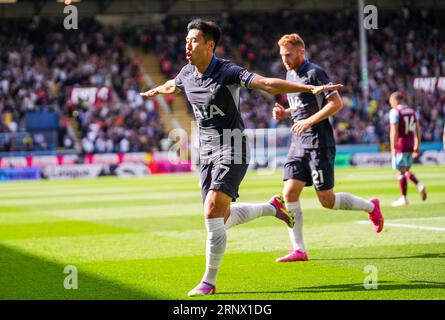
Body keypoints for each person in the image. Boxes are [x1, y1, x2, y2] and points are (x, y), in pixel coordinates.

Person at [140, 19, 342, 296]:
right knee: (219, 219)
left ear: (210, 45)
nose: (187, 45)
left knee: (212, 211)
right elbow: (173, 84)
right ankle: (273, 208)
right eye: (186, 40)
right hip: (207, 151)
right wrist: (157, 88)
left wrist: (310, 89)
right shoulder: (187, 73)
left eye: (194, 40)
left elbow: (268, 84)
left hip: (232, 147)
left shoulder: (227, 71)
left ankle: (208, 283)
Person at [272, 33, 384, 263]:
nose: (284, 59)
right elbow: (302, 105)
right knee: (289, 193)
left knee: (327, 201)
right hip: (298, 142)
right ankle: (299, 249)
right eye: (282, 55)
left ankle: (370, 206)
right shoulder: (289, 74)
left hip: (318, 143)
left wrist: (309, 121)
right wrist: (286, 113)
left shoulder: (315, 72)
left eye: (289, 55)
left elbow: (335, 103)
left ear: (301, 52)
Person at [389, 91, 427, 206]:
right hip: (410, 144)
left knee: (400, 171)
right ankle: (419, 185)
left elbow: (394, 131)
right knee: (405, 170)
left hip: (400, 144)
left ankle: (404, 198)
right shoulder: (412, 111)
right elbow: (418, 130)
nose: (391, 105)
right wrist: (417, 145)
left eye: (391, 102)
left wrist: (393, 146)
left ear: (396, 101)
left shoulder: (395, 112)